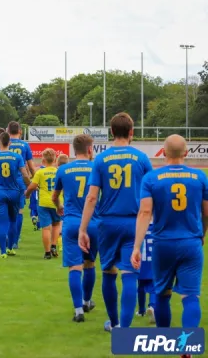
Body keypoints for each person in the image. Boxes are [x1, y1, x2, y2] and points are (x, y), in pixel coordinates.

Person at [79, 112, 153, 332]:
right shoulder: (142, 158)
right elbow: (153, 194)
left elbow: (92, 197)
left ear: (112, 132)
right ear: (132, 132)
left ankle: (114, 323)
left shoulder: (101, 159)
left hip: (107, 223)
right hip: (135, 222)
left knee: (109, 273)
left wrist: (83, 229)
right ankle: (125, 329)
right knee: (130, 273)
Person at [132, 135, 208, 339]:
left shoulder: (151, 179)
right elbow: (206, 212)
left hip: (162, 243)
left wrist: (137, 246)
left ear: (163, 153)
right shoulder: (200, 177)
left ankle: (164, 340)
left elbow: (145, 213)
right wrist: (202, 235)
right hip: (191, 243)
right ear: (186, 152)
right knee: (191, 296)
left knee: (162, 294)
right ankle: (187, 345)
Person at [52, 134, 97, 322]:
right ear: (89, 149)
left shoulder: (63, 170)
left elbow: (55, 196)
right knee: (90, 264)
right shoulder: (97, 168)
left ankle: (78, 310)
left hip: (71, 222)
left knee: (74, 267)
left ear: (73, 150)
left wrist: (59, 207)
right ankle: (87, 301)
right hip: (94, 222)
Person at [0, 132, 30, 257]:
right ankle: (10, 248)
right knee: (13, 221)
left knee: (2, 224)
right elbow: (25, 175)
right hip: (14, 192)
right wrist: (29, 188)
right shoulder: (17, 157)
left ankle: (3, 252)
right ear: (9, 143)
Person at [26, 149, 60, 259]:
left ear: (43, 160)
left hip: (44, 202)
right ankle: (54, 245)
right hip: (57, 203)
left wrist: (27, 194)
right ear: (55, 159)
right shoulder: (59, 171)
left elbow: (32, 186)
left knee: (46, 228)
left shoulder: (40, 172)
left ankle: (47, 252)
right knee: (56, 224)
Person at [7, 121, 36, 249]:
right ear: (20, 131)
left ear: (7, 131)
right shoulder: (24, 145)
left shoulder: (4, 144)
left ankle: (6, 235)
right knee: (19, 211)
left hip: (4, 182)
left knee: (5, 211)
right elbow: (30, 166)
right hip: (20, 181)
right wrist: (35, 179)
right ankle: (15, 240)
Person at [136, 222, 156, 324]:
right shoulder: (156, 227)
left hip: (140, 262)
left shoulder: (139, 227)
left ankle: (141, 310)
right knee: (153, 287)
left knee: (140, 287)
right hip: (153, 262)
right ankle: (152, 306)